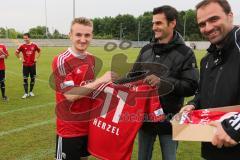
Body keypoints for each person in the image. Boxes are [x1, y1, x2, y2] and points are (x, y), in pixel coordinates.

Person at [129, 5, 199, 160]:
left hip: (170, 121)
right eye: (153, 23)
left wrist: (163, 82)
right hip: (145, 119)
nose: (154, 27)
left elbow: (191, 86)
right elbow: (132, 76)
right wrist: (115, 82)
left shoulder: (186, 53)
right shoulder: (146, 49)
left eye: (159, 23)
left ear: (172, 23)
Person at [180, 0, 240, 159]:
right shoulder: (207, 59)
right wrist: (192, 104)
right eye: (202, 24)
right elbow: (202, 93)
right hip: (212, 149)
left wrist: (235, 127)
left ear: (230, 16)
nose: (208, 28)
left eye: (214, 19)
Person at [52, 17, 118, 160]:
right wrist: (101, 80)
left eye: (87, 35)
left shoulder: (91, 59)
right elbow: (70, 94)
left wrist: (107, 87)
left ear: (92, 36)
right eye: (78, 35)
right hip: (69, 129)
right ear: (70, 35)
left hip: (88, 126)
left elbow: (90, 87)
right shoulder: (62, 60)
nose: (83, 39)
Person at [15, 33, 41, 99]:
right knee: (25, 79)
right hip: (25, 65)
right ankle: (26, 93)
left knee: (33, 78)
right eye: (24, 38)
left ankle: (31, 91)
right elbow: (16, 52)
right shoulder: (22, 46)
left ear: (29, 38)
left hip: (33, 65)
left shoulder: (34, 45)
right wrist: (21, 58)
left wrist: (36, 58)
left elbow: (39, 51)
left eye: (26, 38)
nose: (25, 39)